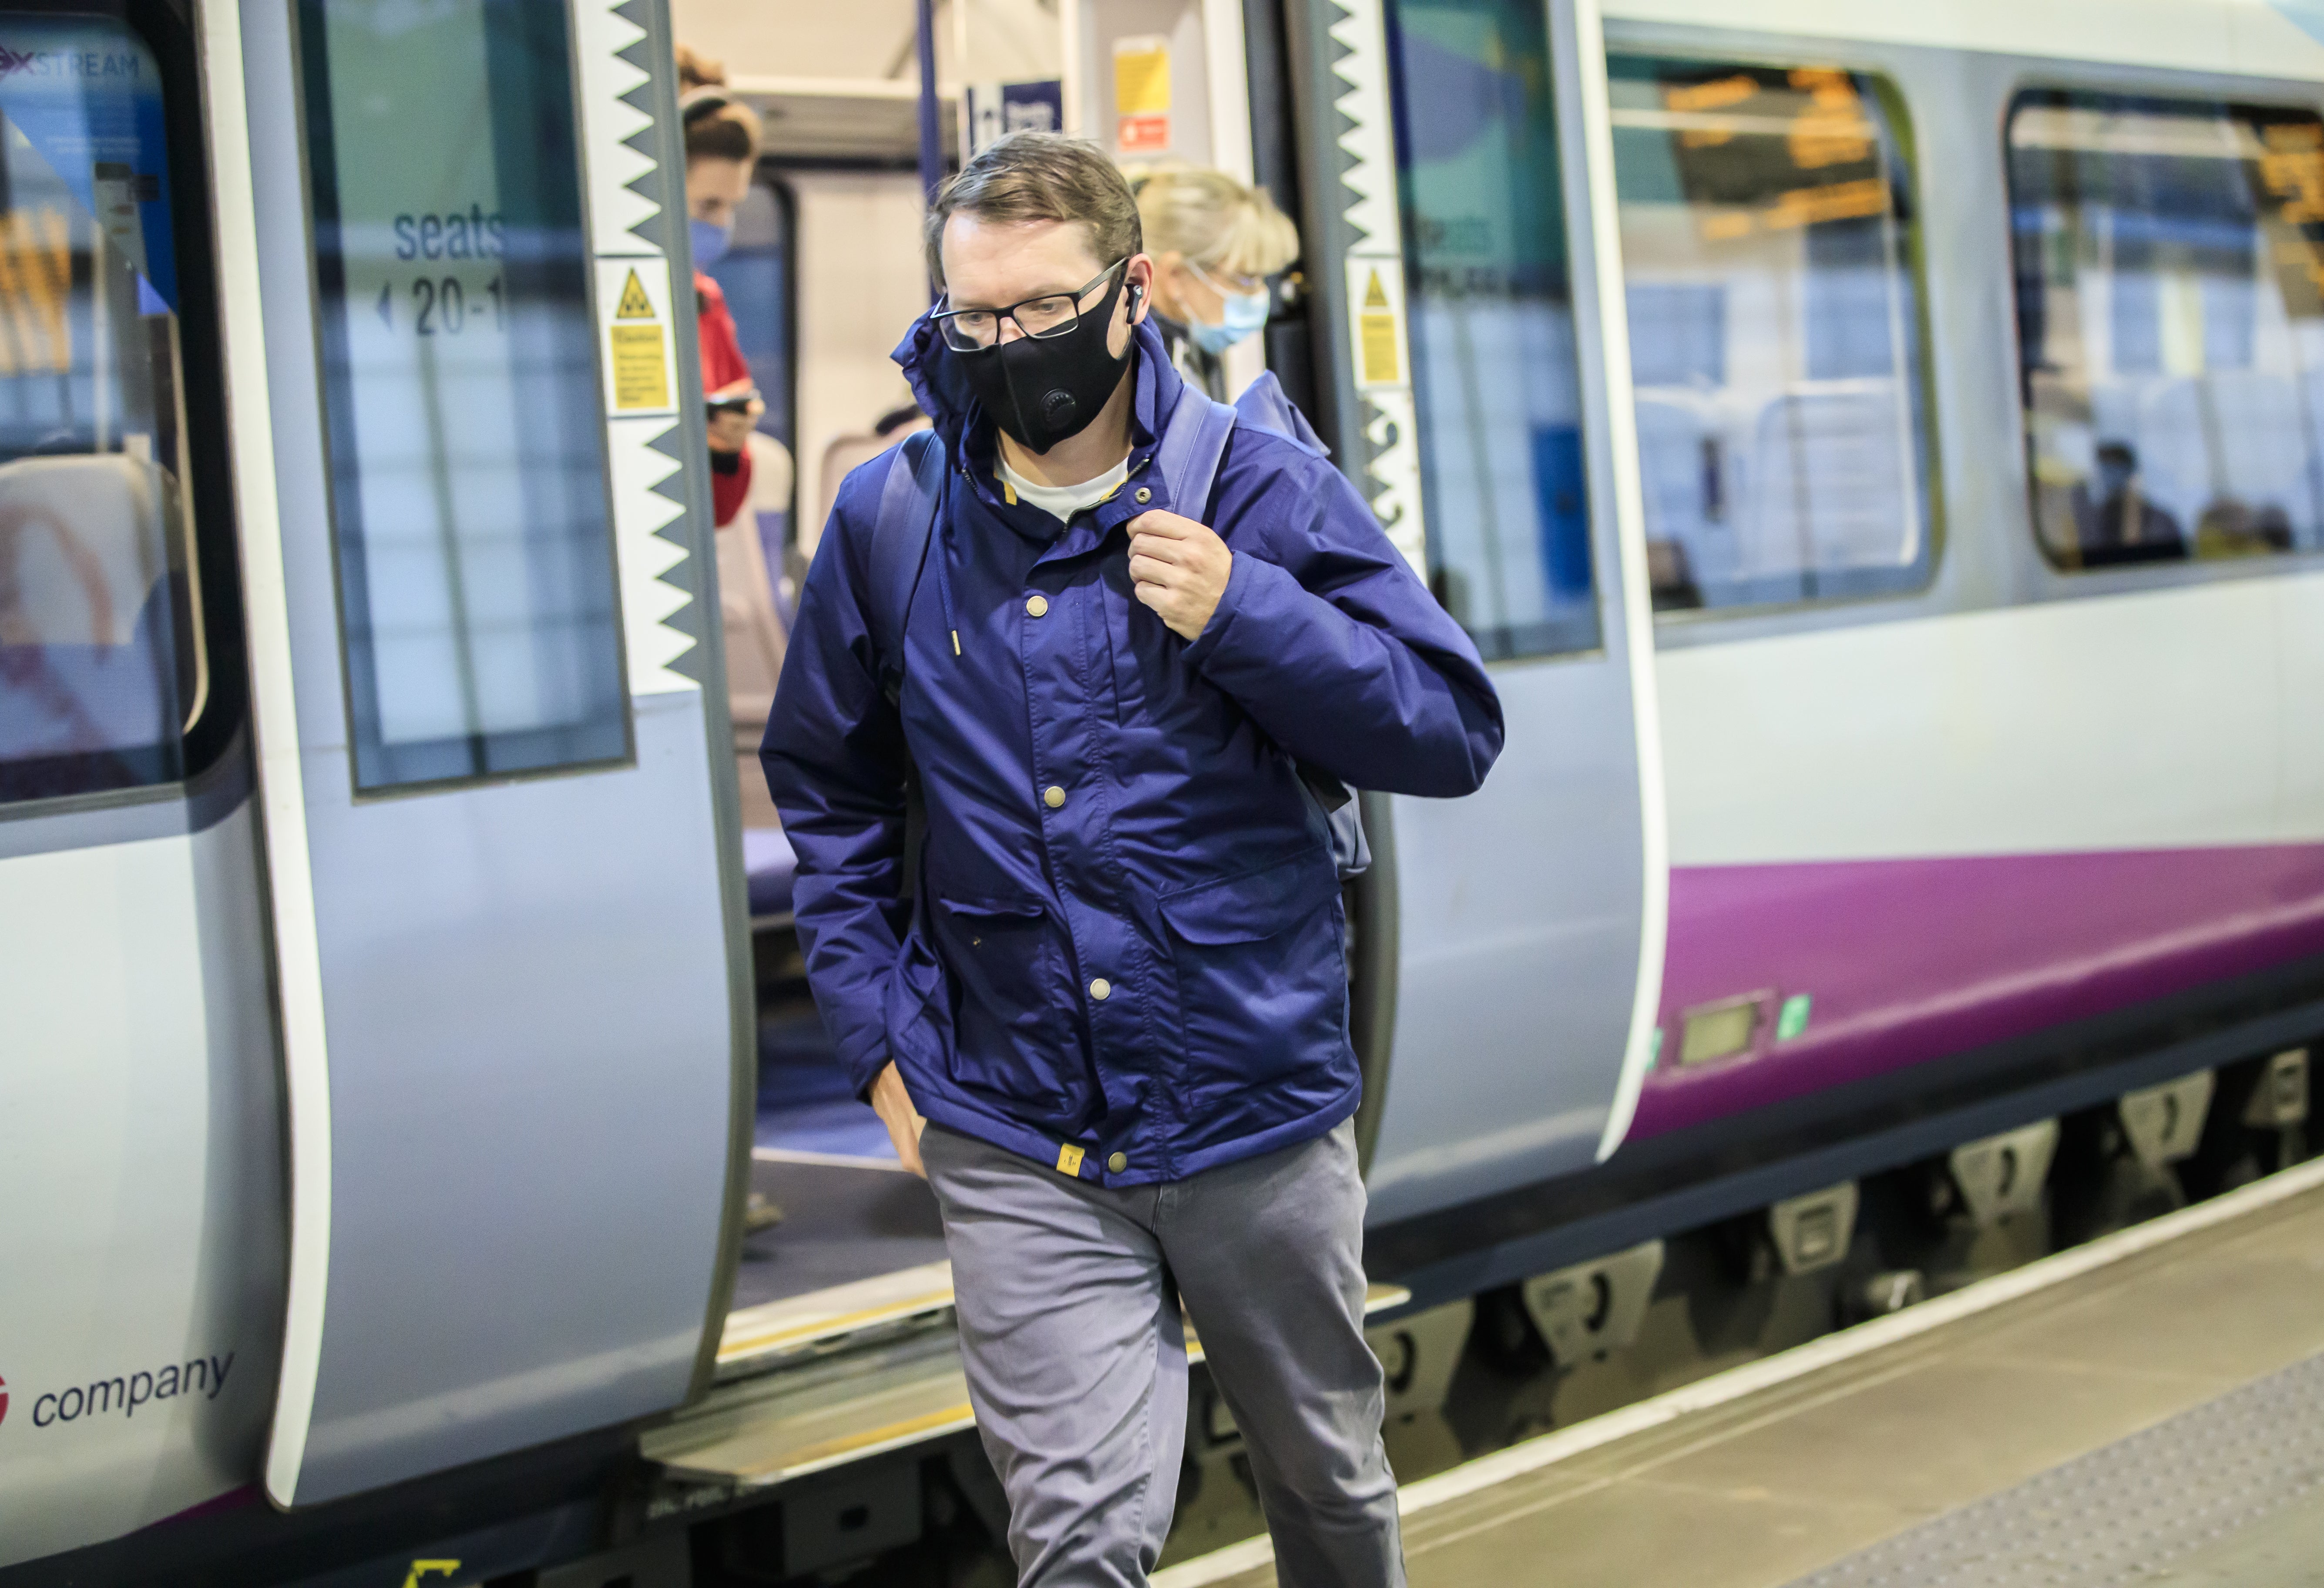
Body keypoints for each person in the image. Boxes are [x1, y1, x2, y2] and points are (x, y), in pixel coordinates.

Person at [762, 132, 1502, 1587]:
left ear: (1132, 290)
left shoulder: (1257, 488)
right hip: (1017, 1123)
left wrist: (1249, 614)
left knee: (1328, 1479)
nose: (1005, 345)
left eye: (1040, 310)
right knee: (1081, 1532)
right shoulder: (893, 515)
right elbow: (829, 790)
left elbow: (1450, 723)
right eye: (973, 317)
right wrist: (881, 1047)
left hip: (1254, 1102)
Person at [679, 61, 765, 528]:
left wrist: (726, 447)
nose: (719, 225)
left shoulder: (707, 302)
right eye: (708, 205)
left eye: (730, 208)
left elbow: (721, 511)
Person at [1134, 165, 1300, 400]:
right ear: (1176, 276)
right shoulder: (1147, 376)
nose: (1259, 295)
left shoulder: (1187, 350)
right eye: (1246, 279)